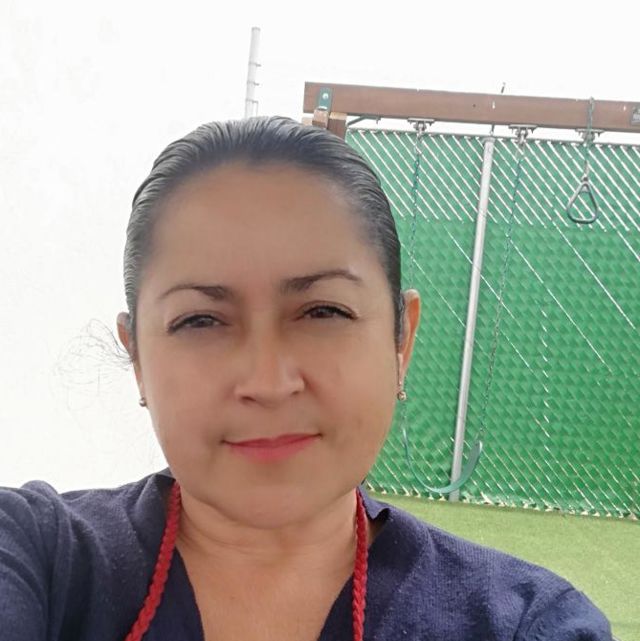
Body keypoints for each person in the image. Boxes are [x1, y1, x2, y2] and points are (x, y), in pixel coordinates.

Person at [0, 116, 612, 641]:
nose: (268, 382)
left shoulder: (523, 623)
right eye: (201, 320)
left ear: (401, 340)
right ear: (138, 358)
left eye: (323, 312)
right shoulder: (38, 560)